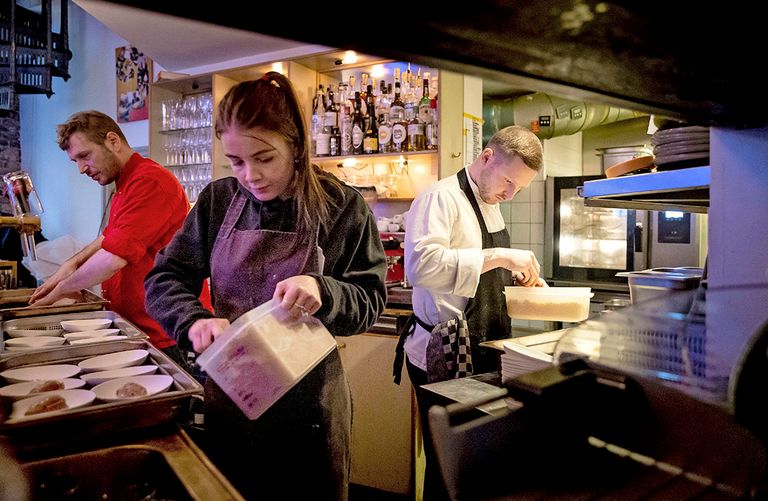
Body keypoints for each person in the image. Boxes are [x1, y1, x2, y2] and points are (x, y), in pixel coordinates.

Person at [144, 72, 387, 501]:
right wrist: (192, 319)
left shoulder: (342, 206)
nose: (250, 175)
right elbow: (165, 278)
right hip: (231, 401)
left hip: (311, 410)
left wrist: (325, 291)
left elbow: (370, 299)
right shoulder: (218, 201)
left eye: (264, 157)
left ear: (296, 146)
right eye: (236, 161)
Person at [393, 125, 545, 500]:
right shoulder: (440, 198)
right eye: (509, 181)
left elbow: (477, 268)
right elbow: (420, 266)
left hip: (484, 348)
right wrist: (500, 257)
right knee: (450, 466)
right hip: (446, 353)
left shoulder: (490, 202)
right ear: (487, 157)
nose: (510, 194)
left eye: (519, 189)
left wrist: (516, 275)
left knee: (478, 462)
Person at [28, 110, 191, 366]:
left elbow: (114, 258)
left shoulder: (150, 181)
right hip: (137, 328)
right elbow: (107, 239)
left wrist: (59, 292)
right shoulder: (125, 184)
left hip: (163, 334)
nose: (81, 169)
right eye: (75, 162)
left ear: (113, 141)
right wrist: (67, 268)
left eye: (84, 156)